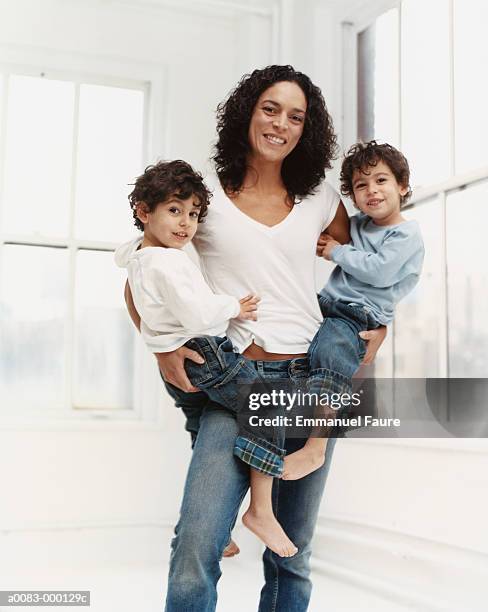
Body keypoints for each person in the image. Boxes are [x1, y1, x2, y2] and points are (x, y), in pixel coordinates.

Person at [125, 65, 386, 612]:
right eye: (270, 108)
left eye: (296, 116)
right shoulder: (202, 196)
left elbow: (366, 264)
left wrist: (374, 323)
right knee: (197, 542)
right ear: (247, 111)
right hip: (236, 382)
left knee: (292, 557)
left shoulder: (318, 196)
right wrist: (163, 347)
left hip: (308, 382)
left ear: (306, 129)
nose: (281, 124)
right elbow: (142, 271)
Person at [115, 159, 298, 557]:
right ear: (144, 212)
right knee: (265, 406)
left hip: (174, 365)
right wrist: (235, 307)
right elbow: (197, 313)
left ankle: (219, 527)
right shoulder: (168, 261)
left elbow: (131, 291)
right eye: (174, 211)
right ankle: (261, 512)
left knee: (200, 426)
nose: (185, 224)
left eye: (193, 214)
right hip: (203, 353)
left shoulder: (138, 256)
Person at [281, 141, 424, 480]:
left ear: (402, 186)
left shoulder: (406, 234)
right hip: (327, 303)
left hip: (358, 314)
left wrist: (335, 253)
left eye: (381, 180)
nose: (371, 190)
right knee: (289, 326)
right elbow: (326, 234)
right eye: (361, 185)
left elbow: (380, 271)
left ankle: (316, 447)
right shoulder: (358, 224)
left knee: (332, 352)